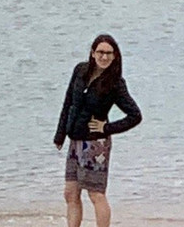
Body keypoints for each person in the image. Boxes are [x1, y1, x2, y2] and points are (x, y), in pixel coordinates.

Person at [54, 34, 142, 227]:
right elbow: (68, 102)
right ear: (93, 53)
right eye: (101, 52)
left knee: (95, 194)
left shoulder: (115, 83)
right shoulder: (80, 71)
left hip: (96, 144)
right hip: (75, 140)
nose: (104, 57)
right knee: (70, 192)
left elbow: (135, 116)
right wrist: (60, 134)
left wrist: (107, 127)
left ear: (115, 56)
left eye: (109, 53)